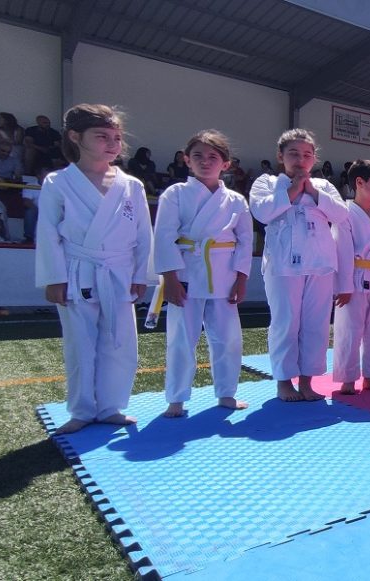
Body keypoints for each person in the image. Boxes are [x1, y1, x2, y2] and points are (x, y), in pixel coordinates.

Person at [34, 103, 152, 434]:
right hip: (77, 270)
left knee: (120, 341)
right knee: (79, 343)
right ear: (75, 137)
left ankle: (111, 406)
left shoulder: (132, 185)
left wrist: (140, 274)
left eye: (116, 137)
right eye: (102, 136)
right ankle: (82, 409)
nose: (112, 143)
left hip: (118, 270)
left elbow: (144, 234)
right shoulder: (58, 182)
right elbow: (47, 232)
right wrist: (53, 277)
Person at [151, 130, 252, 418]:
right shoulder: (175, 194)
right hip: (185, 274)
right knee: (181, 338)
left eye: (213, 157)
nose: (205, 162)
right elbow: (164, 235)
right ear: (186, 160)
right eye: (198, 156)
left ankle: (227, 393)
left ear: (226, 164)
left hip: (225, 274)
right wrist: (169, 278)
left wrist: (242, 278)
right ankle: (176, 398)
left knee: (228, 339)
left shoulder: (235, 200)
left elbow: (245, 241)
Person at [250, 128, 348, 402]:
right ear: (280, 156)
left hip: (320, 265)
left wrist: (313, 191)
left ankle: (306, 381)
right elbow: (261, 212)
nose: (300, 159)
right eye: (293, 153)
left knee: (315, 325)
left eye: (307, 154)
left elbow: (340, 215)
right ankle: (283, 382)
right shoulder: (267, 183)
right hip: (282, 266)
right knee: (285, 323)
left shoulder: (325, 187)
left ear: (314, 159)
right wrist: (294, 189)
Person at [332, 159, 370, 395]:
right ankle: (348, 379)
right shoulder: (344, 213)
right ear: (359, 182)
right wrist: (344, 285)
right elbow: (343, 251)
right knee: (350, 330)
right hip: (354, 278)